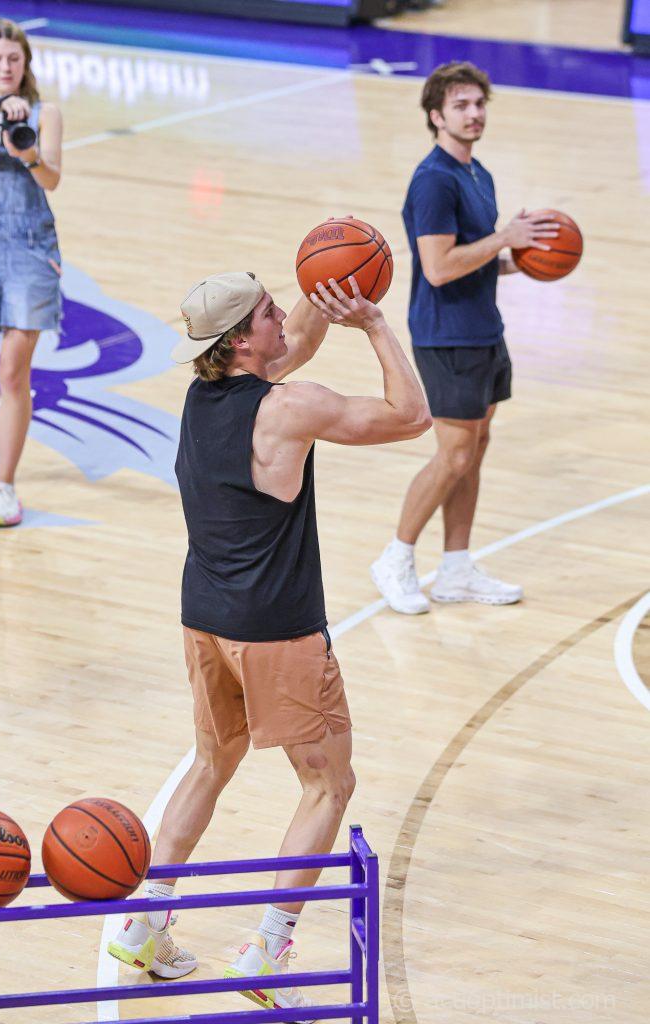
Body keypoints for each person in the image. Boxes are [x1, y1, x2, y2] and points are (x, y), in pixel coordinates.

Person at [108, 269, 431, 1014]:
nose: (283, 313)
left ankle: (144, 924)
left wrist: (322, 286)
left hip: (204, 616)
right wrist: (375, 324)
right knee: (328, 785)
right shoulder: (290, 407)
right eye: (267, 311)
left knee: (210, 761)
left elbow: (290, 351)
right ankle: (267, 947)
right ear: (240, 341)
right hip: (277, 630)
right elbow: (411, 416)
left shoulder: (203, 397)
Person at [370, 61, 559, 614]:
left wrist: (520, 260)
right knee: (453, 455)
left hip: (482, 329)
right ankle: (396, 557)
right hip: (446, 335)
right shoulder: (434, 180)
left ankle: (455, 568)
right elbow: (437, 268)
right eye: (461, 106)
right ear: (436, 115)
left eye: (479, 104)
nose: (474, 114)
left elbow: (470, 259)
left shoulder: (478, 173)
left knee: (475, 449)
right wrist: (504, 237)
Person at [0, 18, 63, 526]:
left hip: (29, 249)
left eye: (14, 58)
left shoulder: (47, 113)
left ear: (25, 63)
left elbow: (52, 179)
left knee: (12, 374)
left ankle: (4, 485)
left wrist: (27, 154)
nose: (5, 67)